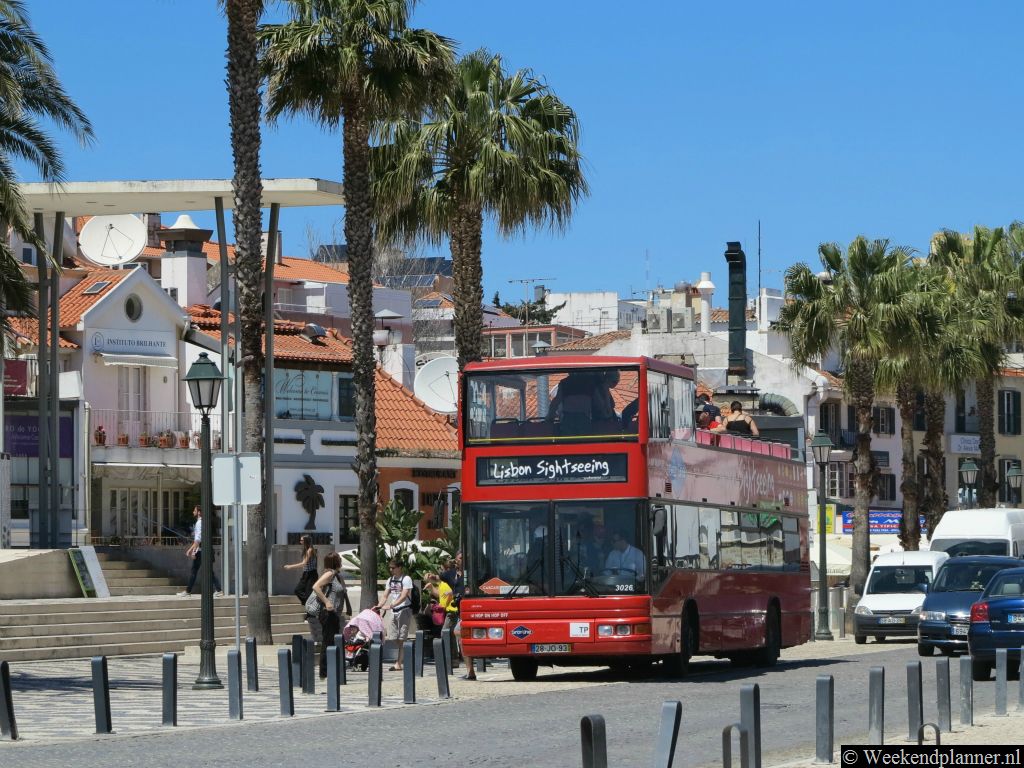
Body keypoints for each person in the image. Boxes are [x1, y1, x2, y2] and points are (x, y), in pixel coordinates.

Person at [306, 551, 346, 679]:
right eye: (339, 558)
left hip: (335, 614)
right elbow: (316, 586)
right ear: (335, 561)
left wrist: (348, 607)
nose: (341, 560)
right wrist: (327, 601)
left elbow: (342, 593)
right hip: (327, 613)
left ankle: (330, 669)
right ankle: (324, 672)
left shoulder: (337, 575)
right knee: (328, 641)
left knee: (333, 640)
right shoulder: (329, 574)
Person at [376, 558, 414, 671]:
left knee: (402, 637)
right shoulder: (390, 580)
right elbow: (385, 595)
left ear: (399, 567)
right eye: (390, 567)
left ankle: (398, 663)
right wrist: (379, 605)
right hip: (394, 611)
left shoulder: (406, 579)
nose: (391, 569)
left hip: (404, 609)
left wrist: (391, 605)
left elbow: (404, 596)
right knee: (392, 636)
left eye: (393, 567)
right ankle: (406, 650)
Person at [179, 505, 222, 597]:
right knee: (208, 571)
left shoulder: (199, 523)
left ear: (199, 512)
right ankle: (219, 589)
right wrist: (192, 549)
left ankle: (188, 591)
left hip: (201, 551)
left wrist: (192, 550)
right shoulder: (205, 522)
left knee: (194, 571)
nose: (193, 512)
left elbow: (198, 540)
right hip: (206, 550)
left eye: (194, 510)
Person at [284, 534, 318, 605]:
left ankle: (309, 607)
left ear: (306, 541)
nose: (300, 541)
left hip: (311, 574)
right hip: (306, 574)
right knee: (298, 590)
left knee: (308, 593)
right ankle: (308, 604)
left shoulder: (310, 550)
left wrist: (290, 566)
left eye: (302, 540)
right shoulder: (306, 549)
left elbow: (303, 563)